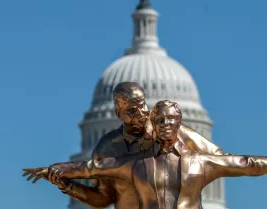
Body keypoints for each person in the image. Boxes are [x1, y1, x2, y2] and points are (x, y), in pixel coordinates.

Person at [23, 100, 267, 209]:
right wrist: (56, 170)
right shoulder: (135, 164)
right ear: (154, 122)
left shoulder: (201, 162)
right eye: (159, 121)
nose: (165, 126)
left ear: (180, 126)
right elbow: (90, 167)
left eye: (171, 122)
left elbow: (246, 164)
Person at [24, 82, 228, 209]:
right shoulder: (107, 148)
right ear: (118, 115)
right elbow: (103, 199)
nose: (141, 115)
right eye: (132, 110)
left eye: (142, 107)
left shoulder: (172, 132)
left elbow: (220, 158)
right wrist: (67, 186)